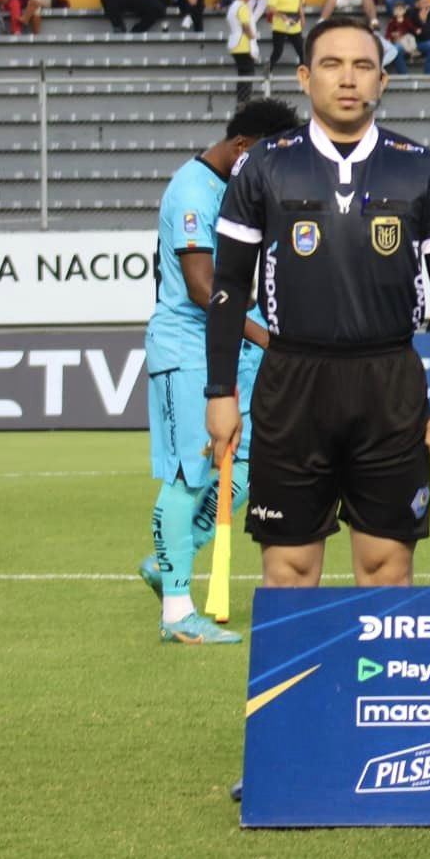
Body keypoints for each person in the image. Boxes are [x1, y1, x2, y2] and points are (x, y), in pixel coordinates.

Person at [204, 17, 430, 585]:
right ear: (305, 77)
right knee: (289, 569)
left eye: (362, 66)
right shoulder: (264, 164)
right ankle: (302, 679)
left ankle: (378, 676)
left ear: (383, 80)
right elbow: (228, 285)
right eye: (331, 65)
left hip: (389, 385)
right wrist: (220, 393)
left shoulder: (422, 168)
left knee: (385, 566)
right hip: (291, 383)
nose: (347, 79)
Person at [140, 98, 302, 642]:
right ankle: (178, 615)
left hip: (236, 345)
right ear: (241, 148)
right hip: (188, 348)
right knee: (190, 473)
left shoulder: (234, 188)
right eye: (265, 157)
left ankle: (167, 562)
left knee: (249, 471)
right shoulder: (192, 190)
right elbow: (203, 287)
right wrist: (270, 341)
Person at [266, 0, 305, 68]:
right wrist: (282, 16)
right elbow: (271, 7)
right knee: (277, 52)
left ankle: (304, 76)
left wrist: (302, 16)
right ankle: (266, 75)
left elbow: (299, 2)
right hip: (281, 25)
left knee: (302, 52)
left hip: (294, 22)